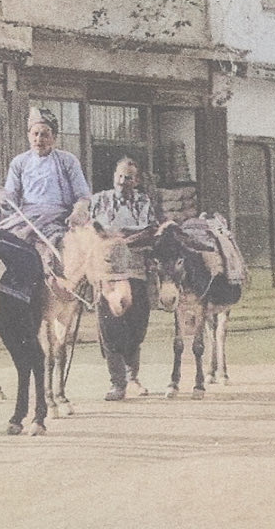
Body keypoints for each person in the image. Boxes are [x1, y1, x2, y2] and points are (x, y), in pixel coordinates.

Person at [87, 157, 159, 401]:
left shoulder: (143, 201)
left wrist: (127, 238)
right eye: (119, 176)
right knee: (109, 325)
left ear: (136, 181)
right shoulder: (99, 200)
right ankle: (117, 382)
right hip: (107, 270)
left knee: (136, 326)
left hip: (136, 268)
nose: (122, 181)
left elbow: (151, 230)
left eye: (128, 177)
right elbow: (89, 229)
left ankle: (132, 376)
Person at [0, 107, 91, 277]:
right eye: (35, 134)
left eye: (45, 134)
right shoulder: (19, 163)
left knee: (57, 250)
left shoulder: (67, 161)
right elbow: (11, 201)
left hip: (58, 216)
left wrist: (78, 213)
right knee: (1, 244)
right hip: (26, 217)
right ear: (29, 135)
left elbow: (83, 196)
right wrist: (4, 198)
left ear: (54, 137)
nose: (39, 139)